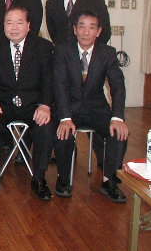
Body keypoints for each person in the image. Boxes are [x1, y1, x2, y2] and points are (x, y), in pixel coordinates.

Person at [53, 10, 128, 203]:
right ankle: (63, 178)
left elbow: (117, 86)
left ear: (99, 31)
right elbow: (59, 85)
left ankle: (109, 180)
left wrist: (117, 117)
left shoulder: (107, 53)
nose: (86, 32)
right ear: (75, 29)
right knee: (62, 132)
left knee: (119, 132)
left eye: (91, 27)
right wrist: (65, 117)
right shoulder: (63, 51)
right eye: (82, 26)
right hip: (69, 107)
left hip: (96, 108)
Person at [0, 6, 55, 201]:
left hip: (33, 105)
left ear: (28, 25)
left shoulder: (44, 47)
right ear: (3, 25)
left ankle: (39, 178)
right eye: (9, 22)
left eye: (19, 22)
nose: (14, 27)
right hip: (2, 104)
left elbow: (49, 81)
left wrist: (45, 105)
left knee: (46, 125)